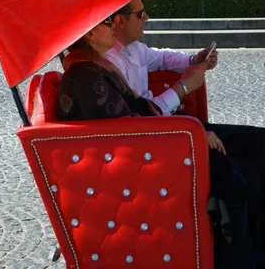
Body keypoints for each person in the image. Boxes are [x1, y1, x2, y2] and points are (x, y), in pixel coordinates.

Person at [57, 14, 256, 267]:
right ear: (90, 34)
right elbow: (128, 131)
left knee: (238, 166)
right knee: (232, 176)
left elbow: (135, 116)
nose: (113, 29)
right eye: (108, 23)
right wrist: (190, 132)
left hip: (151, 143)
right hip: (139, 163)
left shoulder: (96, 65)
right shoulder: (87, 75)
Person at [105, 0, 265, 262]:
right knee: (239, 174)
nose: (147, 18)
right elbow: (140, 119)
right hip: (162, 138)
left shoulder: (132, 48)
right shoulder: (110, 63)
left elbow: (161, 57)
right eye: (140, 14)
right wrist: (183, 89)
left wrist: (194, 58)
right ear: (120, 21)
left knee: (259, 141)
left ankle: (258, 242)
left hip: (174, 126)